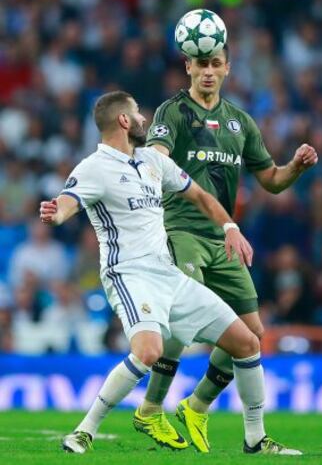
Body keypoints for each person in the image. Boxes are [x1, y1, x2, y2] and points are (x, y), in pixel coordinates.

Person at [39, 91, 300, 455]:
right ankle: (84, 431)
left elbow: (200, 196)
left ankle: (255, 440)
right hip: (128, 275)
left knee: (248, 342)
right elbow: (68, 203)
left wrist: (229, 228)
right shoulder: (93, 168)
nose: (144, 118)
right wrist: (57, 212)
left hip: (167, 274)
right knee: (148, 350)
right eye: (138, 112)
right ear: (124, 121)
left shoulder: (151, 161)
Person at [135, 45, 318, 454]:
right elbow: (157, 158)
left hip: (224, 238)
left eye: (216, 64)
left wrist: (296, 168)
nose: (208, 72)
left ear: (227, 69)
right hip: (180, 230)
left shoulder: (240, 122)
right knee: (181, 318)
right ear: (188, 67)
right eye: (201, 64)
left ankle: (202, 409)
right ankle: (150, 408)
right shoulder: (172, 112)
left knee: (252, 335)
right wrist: (156, 159)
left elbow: (270, 179)